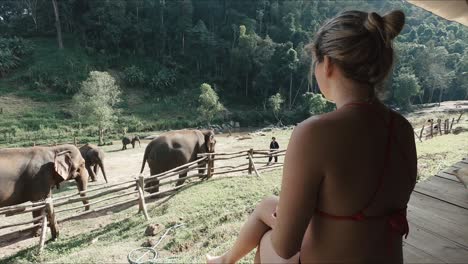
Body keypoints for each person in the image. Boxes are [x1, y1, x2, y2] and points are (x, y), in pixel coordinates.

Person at [207, 9, 417, 264]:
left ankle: (224, 262)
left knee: (267, 242)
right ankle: (222, 261)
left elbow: (285, 246)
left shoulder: (315, 132)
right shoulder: (403, 128)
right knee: (267, 205)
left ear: (327, 63)